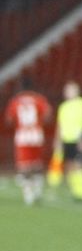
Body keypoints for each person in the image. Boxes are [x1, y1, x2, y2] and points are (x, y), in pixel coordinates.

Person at [4, 77, 51, 205]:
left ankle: (28, 194)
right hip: (36, 134)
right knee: (37, 163)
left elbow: (8, 119)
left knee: (24, 165)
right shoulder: (38, 99)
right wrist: (39, 122)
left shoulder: (16, 100)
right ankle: (38, 189)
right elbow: (48, 114)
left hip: (23, 135)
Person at [54, 80, 82, 201]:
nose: (68, 92)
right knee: (69, 165)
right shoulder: (63, 107)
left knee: (79, 164)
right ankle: (74, 189)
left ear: (77, 91)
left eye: (70, 90)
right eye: (66, 90)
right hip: (66, 139)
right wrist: (57, 140)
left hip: (78, 139)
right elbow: (59, 125)